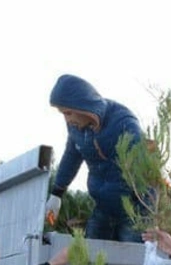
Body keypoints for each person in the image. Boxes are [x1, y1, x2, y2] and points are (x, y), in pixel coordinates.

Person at [46, 75, 145, 242]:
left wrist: (146, 215)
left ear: (82, 106)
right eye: (63, 114)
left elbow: (145, 174)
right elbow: (71, 156)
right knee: (90, 253)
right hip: (103, 207)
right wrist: (57, 194)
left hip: (132, 211)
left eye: (68, 113)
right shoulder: (76, 128)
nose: (67, 119)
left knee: (131, 256)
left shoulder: (124, 124)